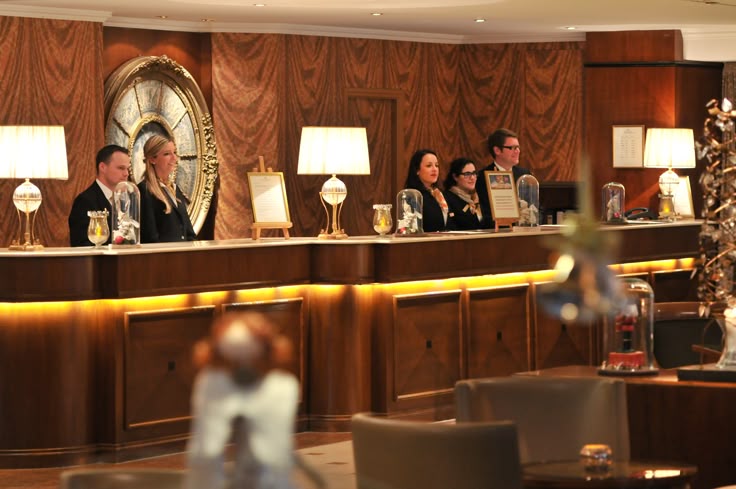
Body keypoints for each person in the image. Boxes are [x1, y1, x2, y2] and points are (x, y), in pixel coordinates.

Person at [184, 312, 302, 489]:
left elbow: (274, 451)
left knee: (269, 457)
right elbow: (206, 449)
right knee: (207, 453)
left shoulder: (281, 386)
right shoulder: (213, 382)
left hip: (271, 479)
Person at [68, 144, 131, 246]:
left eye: (127, 169)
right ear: (102, 167)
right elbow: (82, 245)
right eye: (121, 168)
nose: (126, 173)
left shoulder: (124, 200)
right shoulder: (85, 201)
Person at [137, 134, 197, 243]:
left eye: (174, 152)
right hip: (162, 253)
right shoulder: (144, 190)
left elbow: (189, 233)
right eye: (167, 154)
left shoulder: (175, 188)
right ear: (152, 159)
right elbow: (150, 237)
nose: (174, 158)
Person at [475, 128, 532, 228]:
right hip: (496, 232)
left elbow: (535, 205)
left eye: (518, 147)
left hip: (524, 230)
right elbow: (484, 212)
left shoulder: (524, 174)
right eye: (512, 148)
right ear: (497, 150)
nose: (518, 151)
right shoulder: (482, 177)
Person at [404, 149, 454, 232]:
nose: (434, 169)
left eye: (437, 165)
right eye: (429, 166)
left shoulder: (440, 194)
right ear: (417, 170)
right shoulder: (412, 196)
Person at [442, 157, 484, 230]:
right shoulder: (447, 198)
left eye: (474, 173)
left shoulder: (479, 197)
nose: (472, 177)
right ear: (455, 177)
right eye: (467, 174)